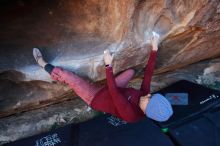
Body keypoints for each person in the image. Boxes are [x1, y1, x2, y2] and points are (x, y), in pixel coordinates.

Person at [33, 33, 173, 123]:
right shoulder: (145, 97)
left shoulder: (130, 115)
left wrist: (108, 64)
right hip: (115, 91)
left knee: (70, 78)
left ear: (147, 110)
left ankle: (42, 64)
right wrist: (154, 49)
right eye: (151, 95)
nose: (148, 95)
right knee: (130, 72)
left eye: (149, 99)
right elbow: (148, 75)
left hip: (96, 97)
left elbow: (113, 92)